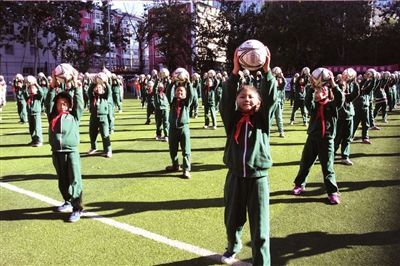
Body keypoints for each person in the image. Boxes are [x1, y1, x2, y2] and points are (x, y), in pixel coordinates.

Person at [219, 47, 276, 265]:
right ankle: (233, 246)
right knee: (232, 219)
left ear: (259, 102)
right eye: (242, 96)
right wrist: (234, 72)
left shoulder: (262, 120)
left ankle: (262, 261)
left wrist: (267, 71)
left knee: (260, 226)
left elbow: (270, 96)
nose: (247, 99)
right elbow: (225, 98)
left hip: (258, 179)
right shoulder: (232, 119)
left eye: (251, 97)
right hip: (234, 177)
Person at [292, 67, 344, 204]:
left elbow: (340, 99)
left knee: (328, 168)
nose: (319, 92)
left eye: (322, 90)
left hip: (327, 140)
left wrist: (333, 84)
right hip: (312, 139)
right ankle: (299, 185)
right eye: (317, 91)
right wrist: (311, 86)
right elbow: (307, 101)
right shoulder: (314, 107)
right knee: (305, 164)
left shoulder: (332, 107)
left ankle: (332, 192)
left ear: (328, 93)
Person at [46, 68, 84, 222]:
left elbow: (80, 103)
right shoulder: (52, 116)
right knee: (62, 180)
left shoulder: (73, 116)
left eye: (65, 103)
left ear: (69, 105)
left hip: (71, 152)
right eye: (60, 103)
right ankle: (68, 201)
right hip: (57, 151)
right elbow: (48, 100)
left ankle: (77, 208)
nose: (62, 106)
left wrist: (76, 86)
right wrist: (52, 86)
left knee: (75, 179)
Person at [165, 69, 194, 179]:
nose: (179, 93)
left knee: (186, 150)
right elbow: (168, 93)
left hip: (183, 129)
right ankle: (175, 165)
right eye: (178, 91)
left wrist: (188, 83)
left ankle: (186, 169)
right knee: (173, 149)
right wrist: (172, 83)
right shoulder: (172, 101)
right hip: (172, 128)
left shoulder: (186, 103)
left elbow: (190, 95)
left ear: (185, 94)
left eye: (182, 92)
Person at [334, 68, 360, 166]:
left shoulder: (349, 91)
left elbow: (355, 94)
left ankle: (345, 157)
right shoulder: (338, 90)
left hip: (349, 115)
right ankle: (331, 153)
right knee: (337, 137)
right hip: (340, 116)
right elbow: (337, 93)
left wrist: (355, 81)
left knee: (347, 138)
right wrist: (340, 82)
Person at [87, 72, 112, 158]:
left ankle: (108, 150)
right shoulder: (92, 97)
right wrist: (93, 83)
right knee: (92, 133)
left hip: (103, 118)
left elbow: (109, 91)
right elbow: (89, 91)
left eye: (100, 87)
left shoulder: (104, 97)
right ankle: (93, 147)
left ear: (103, 89)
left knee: (105, 134)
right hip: (93, 117)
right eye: (97, 88)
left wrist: (106, 82)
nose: (98, 89)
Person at [25, 75, 44, 147]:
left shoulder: (37, 96)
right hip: (29, 113)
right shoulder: (28, 97)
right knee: (31, 128)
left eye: (32, 88)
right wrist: (26, 85)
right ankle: (34, 140)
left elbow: (42, 92)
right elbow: (24, 92)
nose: (31, 90)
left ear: (36, 89)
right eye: (30, 89)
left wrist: (36, 84)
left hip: (36, 113)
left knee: (37, 128)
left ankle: (39, 140)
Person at [272, 66, 287, 137]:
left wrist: (282, 77)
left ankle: (281, 132)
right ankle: (266, 132)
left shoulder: (280, 87)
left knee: (279, 118)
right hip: (271, 103)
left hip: (277, 102)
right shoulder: (271, 83)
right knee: (269, 118)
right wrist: (273, 75)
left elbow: (285, 83)